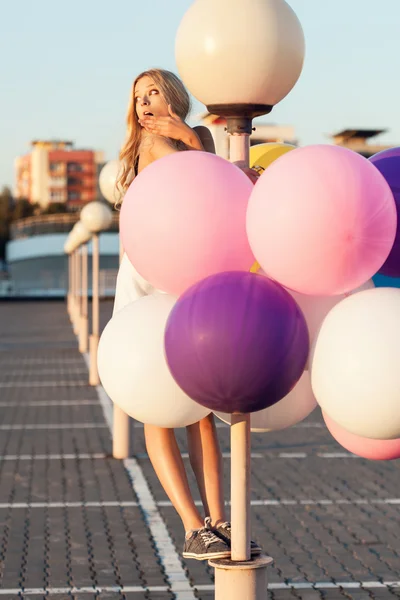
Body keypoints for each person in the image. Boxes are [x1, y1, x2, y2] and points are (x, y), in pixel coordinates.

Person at [114, 68, 261, 560]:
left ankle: (219, 521)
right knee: (157, 410)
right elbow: (199, 184)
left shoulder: (193, 137)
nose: (145, 103)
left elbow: (216, 192)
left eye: (153, 91)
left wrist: (189, 137)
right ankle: (192, 524)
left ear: (173, 95)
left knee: (198, 411)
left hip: (188, 274)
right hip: (146, 275)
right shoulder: (146, 148)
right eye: (138, 97)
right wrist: (184, 141)